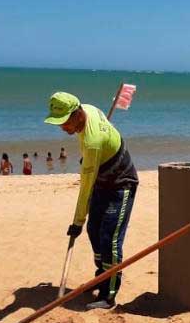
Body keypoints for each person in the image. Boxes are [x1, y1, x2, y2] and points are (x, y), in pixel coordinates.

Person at [44, 91, 139, 310]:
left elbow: (85, 188)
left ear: (77, 114)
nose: (62, 128)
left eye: (65, 122)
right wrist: (92, 158)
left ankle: (109, 295)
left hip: (121, 183)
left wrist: (77, 222)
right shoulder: (89, 107)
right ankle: (101, 278)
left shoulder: (92, 142)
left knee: (110, 239)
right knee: (94, 230)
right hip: (101, 180)